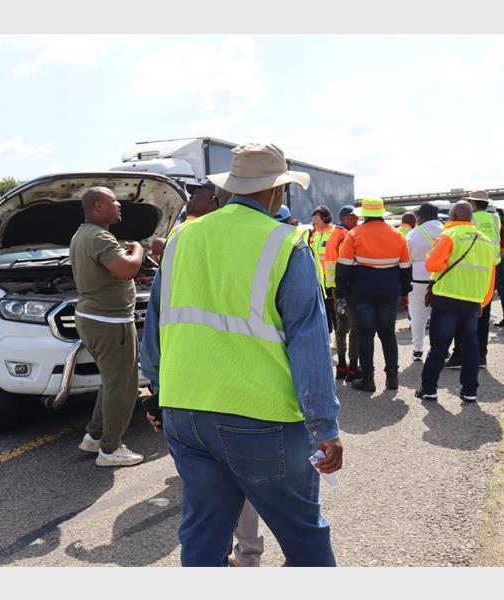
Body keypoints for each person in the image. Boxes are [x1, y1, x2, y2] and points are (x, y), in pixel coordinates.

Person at [141, 142, 342, 567]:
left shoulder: (180, 240)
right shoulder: (286, 243)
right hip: (261, 417)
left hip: (186, 412)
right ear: (277, 191)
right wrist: (324, 425)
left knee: (203, 538)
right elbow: (309, 343)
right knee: (305, 538)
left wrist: (158, 393)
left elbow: (155, 327)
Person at [70, 186, 145, 467]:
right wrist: (138, 249)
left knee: (112, 381)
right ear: (99, 206)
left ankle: (95, 436)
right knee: (124, 387)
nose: (119, 204)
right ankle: (111, 450)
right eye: (114, 201)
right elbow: (128, 269)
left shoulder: (82, 234)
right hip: (110, 322)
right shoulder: (100, 237)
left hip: (93, 318)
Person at [416, 201, 497, 403]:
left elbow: (432, 264)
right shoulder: (486, 241)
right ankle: (470, 391)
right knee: (471, 347)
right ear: (471, 217)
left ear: (452, 216)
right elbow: (490, 276)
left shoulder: (449, 235)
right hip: (472, 302)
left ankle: (429, 389)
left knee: (439, 346)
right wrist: (483, 302)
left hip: (446, 300)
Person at [336, 197, 412, 393]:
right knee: (388, 334)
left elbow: (343, 268)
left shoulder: (354, 234)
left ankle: (368, 379)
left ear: (364, 215)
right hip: (389, 291)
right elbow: (405, 268)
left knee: (365, 335)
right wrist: (405, 292)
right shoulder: (397, 235)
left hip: (362, 292)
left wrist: (340, 293)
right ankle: (392, 377)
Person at [444, 190, 500, 369]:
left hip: (467, 268)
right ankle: (481, 356)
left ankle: (459, 355)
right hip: (489, 268)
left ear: (473, 204)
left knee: (462, 313)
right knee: (483, 314)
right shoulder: (495, 218)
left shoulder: (469, 218)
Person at [405, 204, 444, 361]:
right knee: (440, 316)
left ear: (420, 217)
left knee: (417, 316)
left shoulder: (413, 234)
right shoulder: (446, 231)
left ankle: (418, 349)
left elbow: (406, 258)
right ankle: (441, 349)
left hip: (417, 280)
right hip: (441, 279)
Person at [333, 205, 360, 382]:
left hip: (337, 288)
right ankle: (352, 368)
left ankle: (342, 367)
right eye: (352, 217)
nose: (356, 219)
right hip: (349, 290)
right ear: (343, 218)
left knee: (341, 329)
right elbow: (346, 265)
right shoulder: (348, 236)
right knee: (353, 330)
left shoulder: (334, 233)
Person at [309, 204, 345, 334]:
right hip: (319, 279)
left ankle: (339, 336)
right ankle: (327, 335)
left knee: (336, 311)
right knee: (323, 309)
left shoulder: (339, 233)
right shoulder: (312, 235)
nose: (313, 221)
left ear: (325, 218)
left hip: (335, 281)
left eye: (316, 218)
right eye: (313, 218)